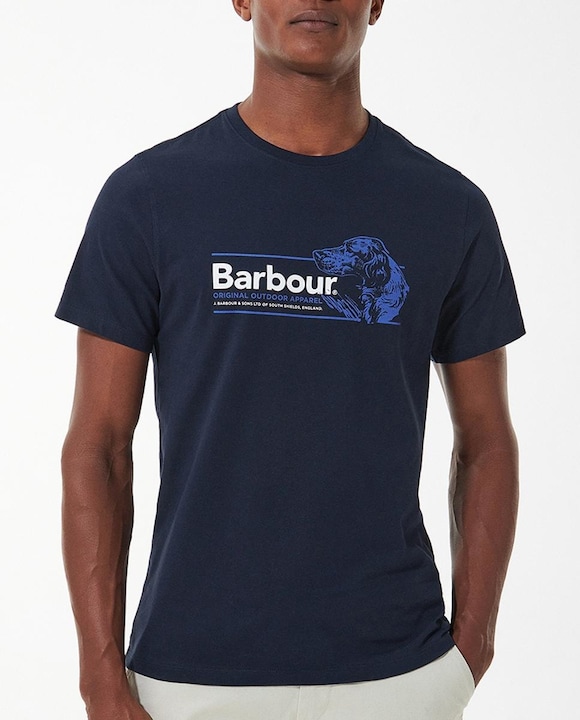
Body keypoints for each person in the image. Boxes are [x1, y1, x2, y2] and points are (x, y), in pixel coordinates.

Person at [56, 1, 525, 719]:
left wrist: (472, 648)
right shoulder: (148, 197)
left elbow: (487, 438)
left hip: (399, 676)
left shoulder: (447, 208)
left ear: (376, 3)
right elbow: (98, 446)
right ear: (242, 0)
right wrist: (100, 680)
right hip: (191, 679)